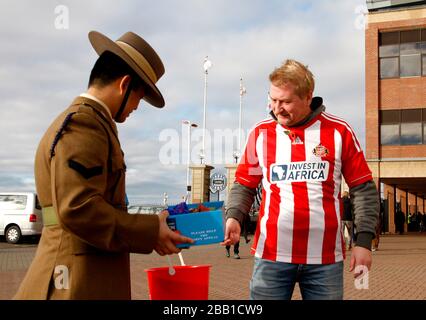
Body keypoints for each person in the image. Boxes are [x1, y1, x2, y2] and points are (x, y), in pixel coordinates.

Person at [14, 31, 193, 300]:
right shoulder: (85, 124)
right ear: (125, 85)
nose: (136, 107)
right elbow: (77, 208)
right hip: (75, 281)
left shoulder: (90, 122)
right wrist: (151, 231)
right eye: (139, 97)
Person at [222, 59, 379, 300]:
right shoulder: (260, 133)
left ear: (308, 97)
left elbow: (363, 189)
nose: (277, 108)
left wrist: (364, 241)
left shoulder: (339, 131)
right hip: (271, 255)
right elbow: (244, 184)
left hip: (324, 260)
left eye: (285, 101)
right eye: (273, 100)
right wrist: (234, 216)